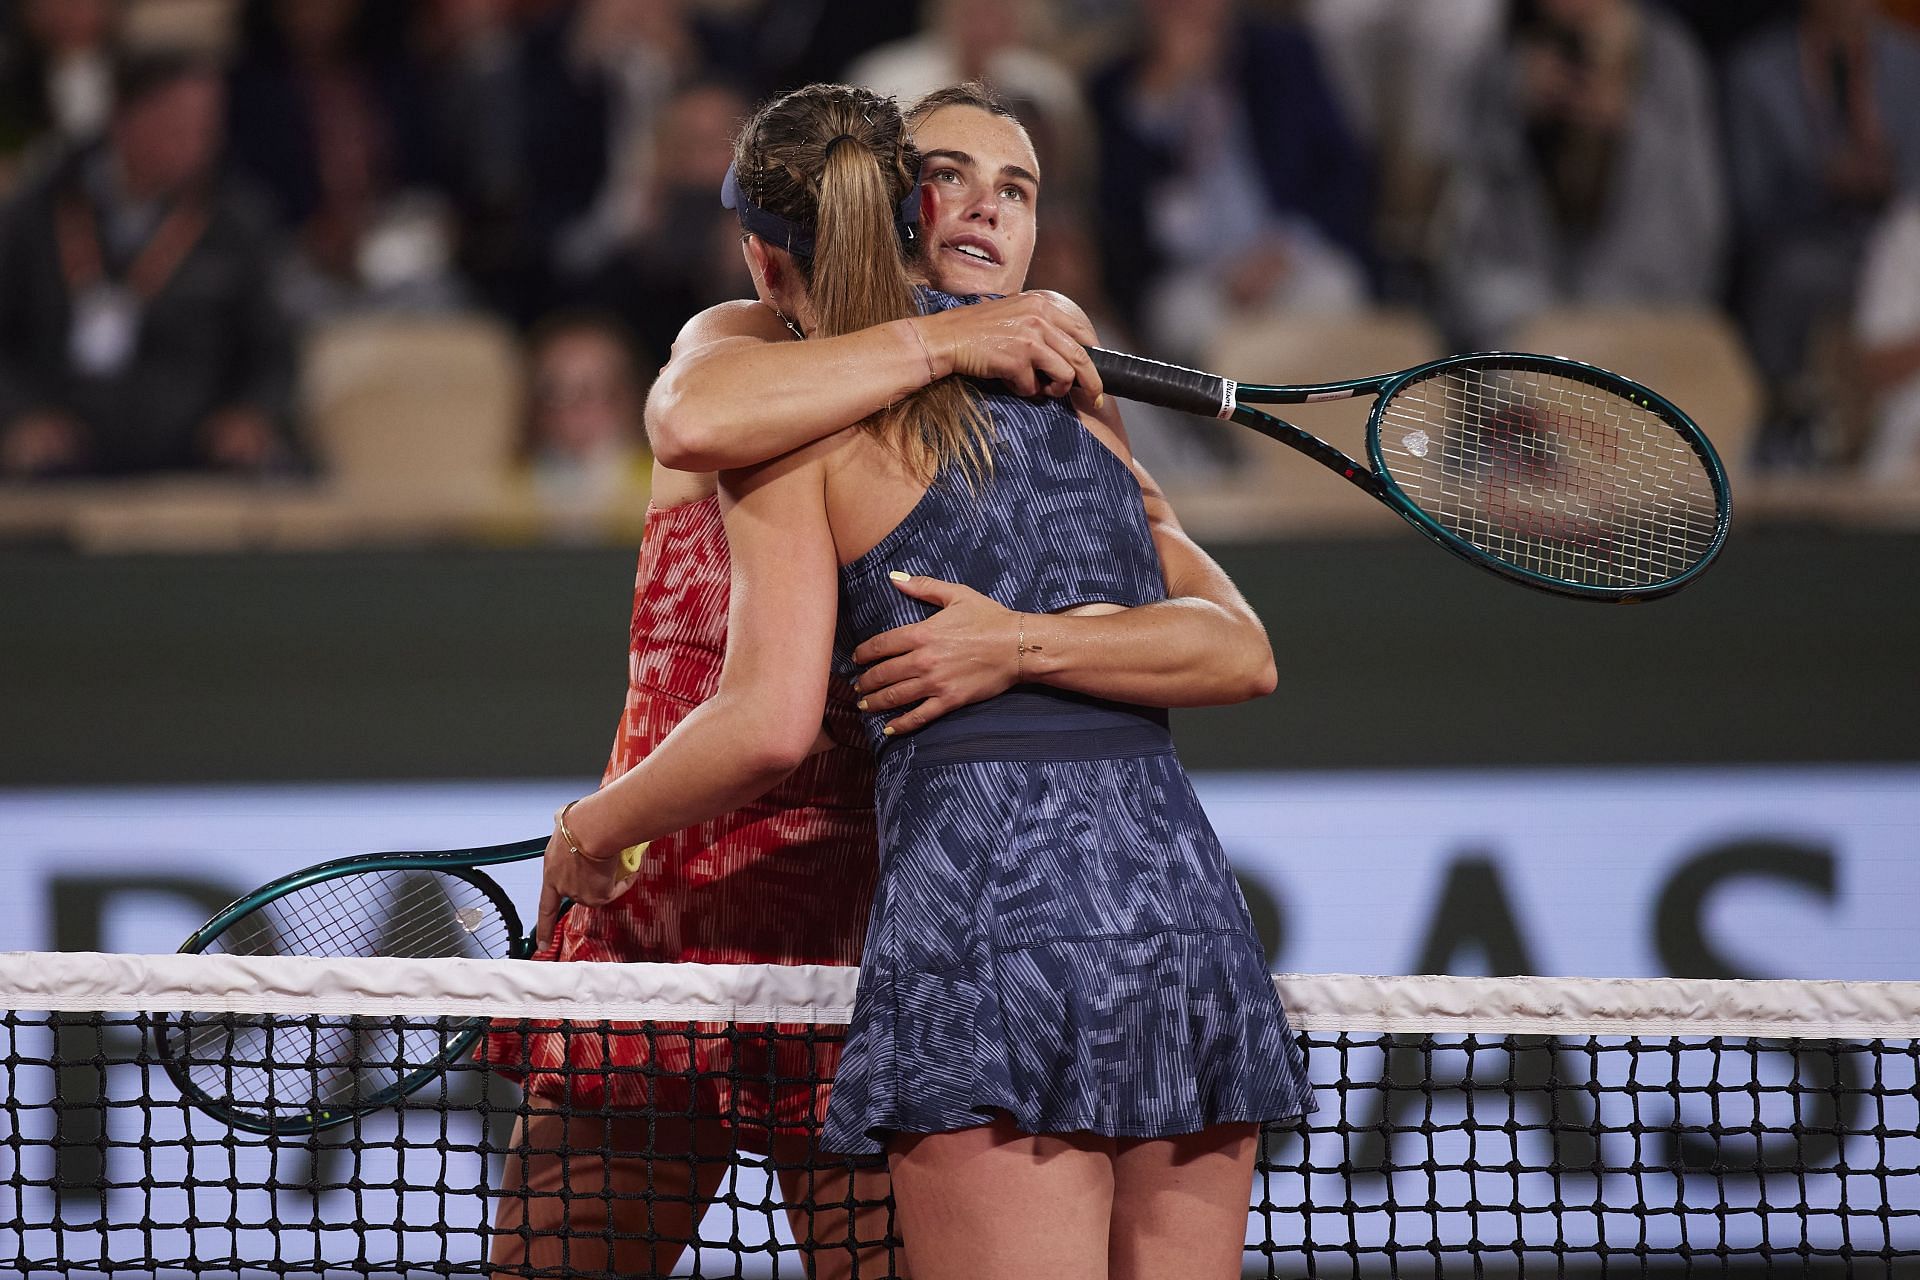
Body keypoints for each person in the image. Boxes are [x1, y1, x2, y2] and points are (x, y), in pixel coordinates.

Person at [534, 82, 1310, 1280]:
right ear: (892, 204)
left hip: (876, 928)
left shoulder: (1049, 397)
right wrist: (952, 333)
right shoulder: (747, 355)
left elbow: (1237, 643)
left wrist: (1021, 642)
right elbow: (687, 417)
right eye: (953, 176)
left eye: (1020, 189)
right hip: (669, 926)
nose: (985, 212)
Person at [0, 46, 294, 478]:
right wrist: (19, 415)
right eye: (177, 125)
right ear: (124, 120)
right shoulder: (36, 214)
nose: (197, 143)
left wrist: (250, 413)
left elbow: (273, 352)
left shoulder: (238, 224)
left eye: (206, 126)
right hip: (60, 450)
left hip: (197, 451)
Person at [1435, 0, 1726, 347]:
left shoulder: (1668, 56)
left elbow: (1698, 221)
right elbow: (1460, 217)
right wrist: (1512, 106)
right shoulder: (1504, 51)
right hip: (1521, 301)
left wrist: (1626, 127)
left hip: (1637, 295)